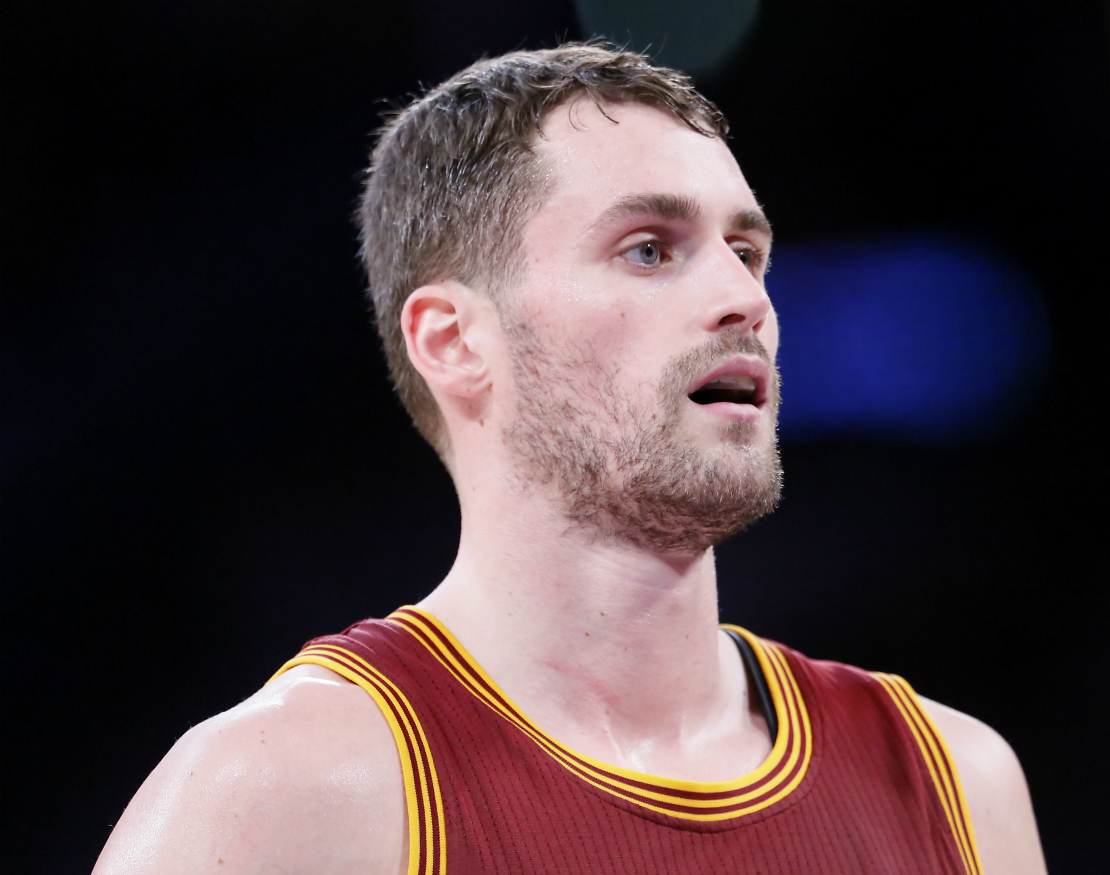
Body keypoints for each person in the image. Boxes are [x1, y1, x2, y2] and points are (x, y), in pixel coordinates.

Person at [95, 44, 1047, 874]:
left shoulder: (956, 783)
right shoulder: (290, 789)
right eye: (649, 249)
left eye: (746, 251)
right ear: (455, 341)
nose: (746, 299)